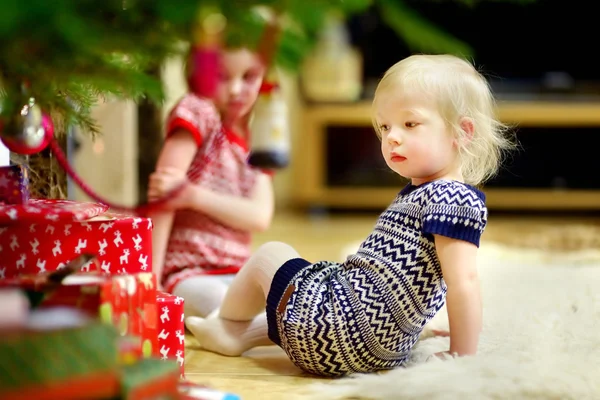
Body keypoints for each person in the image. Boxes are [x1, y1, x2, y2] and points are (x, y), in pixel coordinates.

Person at [184, 54, 515, 377]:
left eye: (410, 123)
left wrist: (462, 354)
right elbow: (404, 282)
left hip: (336, 333)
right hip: (377, 350)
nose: (392, 137)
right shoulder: (432, 194)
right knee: (309, 291)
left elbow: (464, 282)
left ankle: (223, 320)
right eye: (385, 126)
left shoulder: (451, 197)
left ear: (462, 133)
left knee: (271, 254)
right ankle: (237, 336)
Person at [147, 46, 275, 319]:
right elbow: (163, 195)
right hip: (187, 272)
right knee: (226, 306)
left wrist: (193, 196)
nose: (236, 89)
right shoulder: (197, 110)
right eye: (222, 76)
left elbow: (259, 216)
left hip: (240, 274)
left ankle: (246, 331)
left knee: (285, 286)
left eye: (249, 77)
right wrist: (151, 282)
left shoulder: (257, 139)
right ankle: (245, 331)